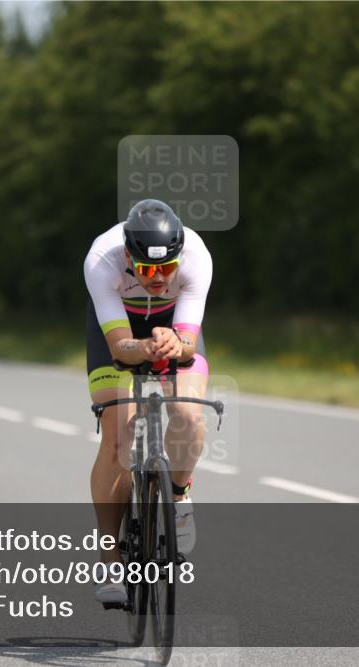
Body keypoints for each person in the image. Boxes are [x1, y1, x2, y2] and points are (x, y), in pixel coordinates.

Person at [83, 199, 213, 605]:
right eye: (147, 269)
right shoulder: (102, 260)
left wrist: (178, 342)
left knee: (189, 418)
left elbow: (188, 341)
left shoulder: (195, 255)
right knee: (119, 436)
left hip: (173, 324)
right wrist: (142, 346)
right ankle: (108, 556)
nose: (158, 278)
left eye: (167, 268)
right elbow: (120, 347)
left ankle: (178, 494)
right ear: (128, 257)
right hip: (120, 331)